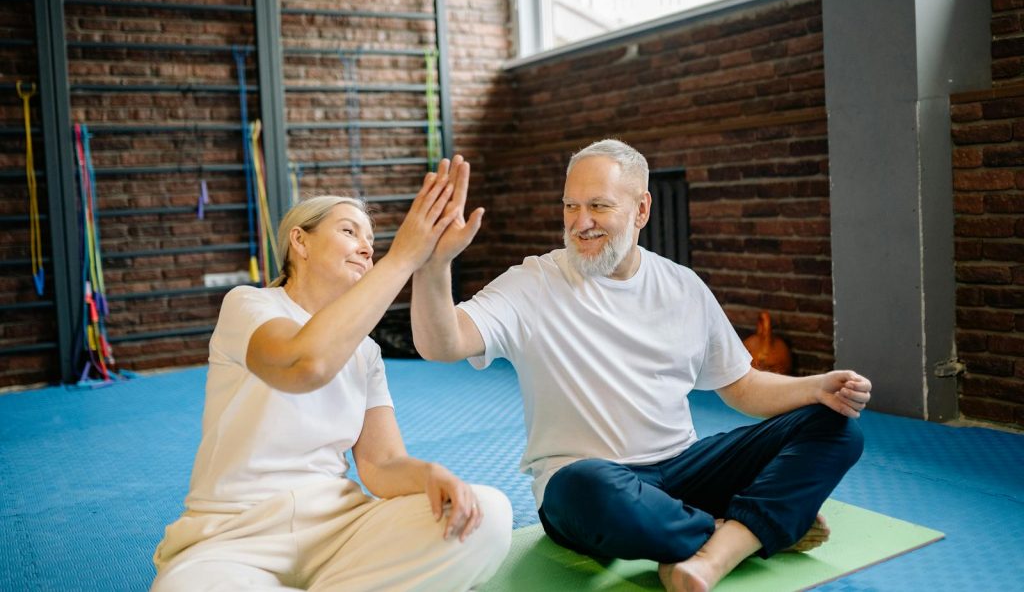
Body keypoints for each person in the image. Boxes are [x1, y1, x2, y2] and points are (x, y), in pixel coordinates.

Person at [411, 141, 871, 592]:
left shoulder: (683, 286)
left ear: (642, 209)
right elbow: (442, 343)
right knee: (586, 485)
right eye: (570, 206)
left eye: (598, 206)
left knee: (836, 426)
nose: (580, 222)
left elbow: (743, 387)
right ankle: (749, 532)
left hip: (686, 472)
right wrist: (434, 266)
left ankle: (714, 549)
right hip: (589, 485)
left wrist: (816, 388)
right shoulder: (533, 283)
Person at [152, 162, 512, 592]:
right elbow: (304, 365)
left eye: (371, 242)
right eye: (349, 232)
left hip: (338, 532)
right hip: (234, 536)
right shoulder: (248, 306)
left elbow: (381, 466)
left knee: (486, 514)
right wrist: (402, 258)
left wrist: (432, 474)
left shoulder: (367, 352)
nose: (366, 248)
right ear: (299, 241)